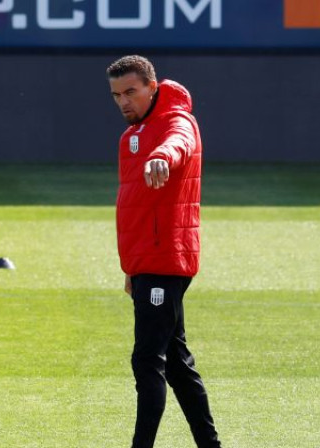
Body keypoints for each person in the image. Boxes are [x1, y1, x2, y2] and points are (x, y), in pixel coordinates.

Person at [107, 55, 222, 448]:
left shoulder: (177, 120)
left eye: (131, 92)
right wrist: (131, 268)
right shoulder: (131, 136)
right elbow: (137, 207)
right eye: (117, 95)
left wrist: (161, 156)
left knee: (147, 360)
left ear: (152, 88)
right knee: (176, 363)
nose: (124, 101)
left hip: (166, 259)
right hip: (148, 263)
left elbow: (179, 144)